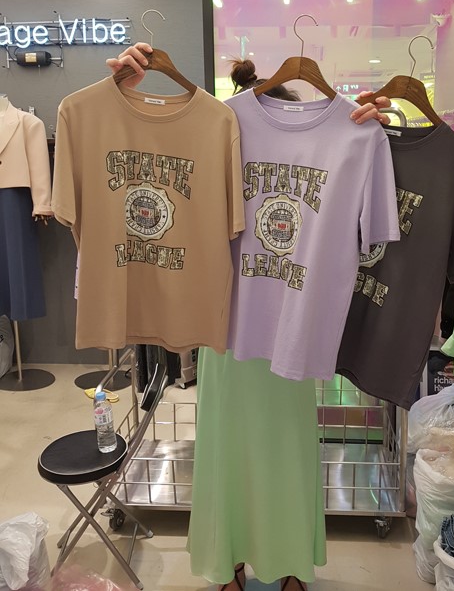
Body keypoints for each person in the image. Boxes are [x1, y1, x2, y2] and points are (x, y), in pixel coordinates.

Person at [107, 43, 393, 591]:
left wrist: (386, 134)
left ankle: (286, 561)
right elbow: (156, 152)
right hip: (230, 325)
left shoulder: (357, 132)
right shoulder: (222, 123)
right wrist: (124, 92)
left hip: (296, 332)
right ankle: (231, 561)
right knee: (231, 450)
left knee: (280, 451)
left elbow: (375, 229)